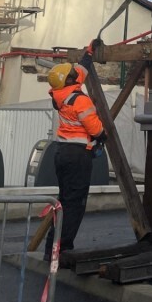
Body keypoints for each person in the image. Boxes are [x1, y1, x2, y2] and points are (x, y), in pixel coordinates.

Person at [44, 46, 105, 266]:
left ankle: (53, 246)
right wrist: (103, 134)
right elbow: (95, 128)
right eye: (72, 73)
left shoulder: (62, 94)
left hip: (63, 153)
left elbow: (81, 70)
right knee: (74, 204)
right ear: (70, 80)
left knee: (65, 200)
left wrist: (89, 52)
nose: (75, 72)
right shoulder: (80, 100)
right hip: (77, 156)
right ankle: (62, 249)